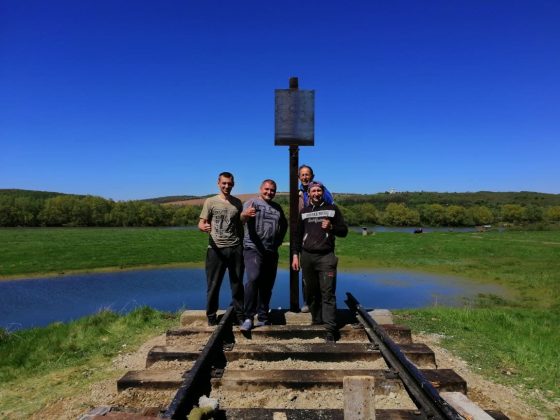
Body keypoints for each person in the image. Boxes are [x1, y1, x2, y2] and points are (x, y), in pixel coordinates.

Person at [291, 181, 348, 343]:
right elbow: (296, 236)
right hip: (307, 257)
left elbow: (344, 231)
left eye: (318, 191)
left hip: (326, 256)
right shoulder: (304, 212)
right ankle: (317, 321)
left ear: (322, 192)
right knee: (311, 292)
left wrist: (331, 227)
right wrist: (295, 255)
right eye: (312, 191)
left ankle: (330, 329)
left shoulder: (332, 210)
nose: (315, 193)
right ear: (308, 194)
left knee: (327, 293)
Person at [239, 179, 288, 331]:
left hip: (271, 251)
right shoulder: (251, 202)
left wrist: (279, 240)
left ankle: (263, 317)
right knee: (253, 279)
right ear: (261, 189)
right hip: (253, 248)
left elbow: (284, 225)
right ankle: (248, 317)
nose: (269, 192)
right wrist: (245, 214)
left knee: (267, 285)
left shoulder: (277, 208)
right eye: (266, 189)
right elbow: (241, 219)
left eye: (272, 190)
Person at [198, 171, 245, 326]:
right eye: (224, 183)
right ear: (218, 183)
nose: (227, 186)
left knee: (237, 285)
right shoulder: (210, 202)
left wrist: (241, 247)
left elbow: (240, 226)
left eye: (229, 183)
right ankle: (211, 318)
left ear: (233, 184)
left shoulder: (238, 203)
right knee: (213, 285)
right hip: (215, 249)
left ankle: (239, 315)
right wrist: (203, 227)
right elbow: (201, 223)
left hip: (235, 248)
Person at [297, 164, 334, 313]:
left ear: (312, 176)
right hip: (306, 238)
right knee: (307, 273)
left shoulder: (321, 190)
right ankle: (308, 301)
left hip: (322, 237)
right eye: (303, 175)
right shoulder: (298, 193)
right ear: (299, 177)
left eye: (308, 174)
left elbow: (331, 207)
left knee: (324, 272)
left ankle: (324, 304)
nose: (305, 177)